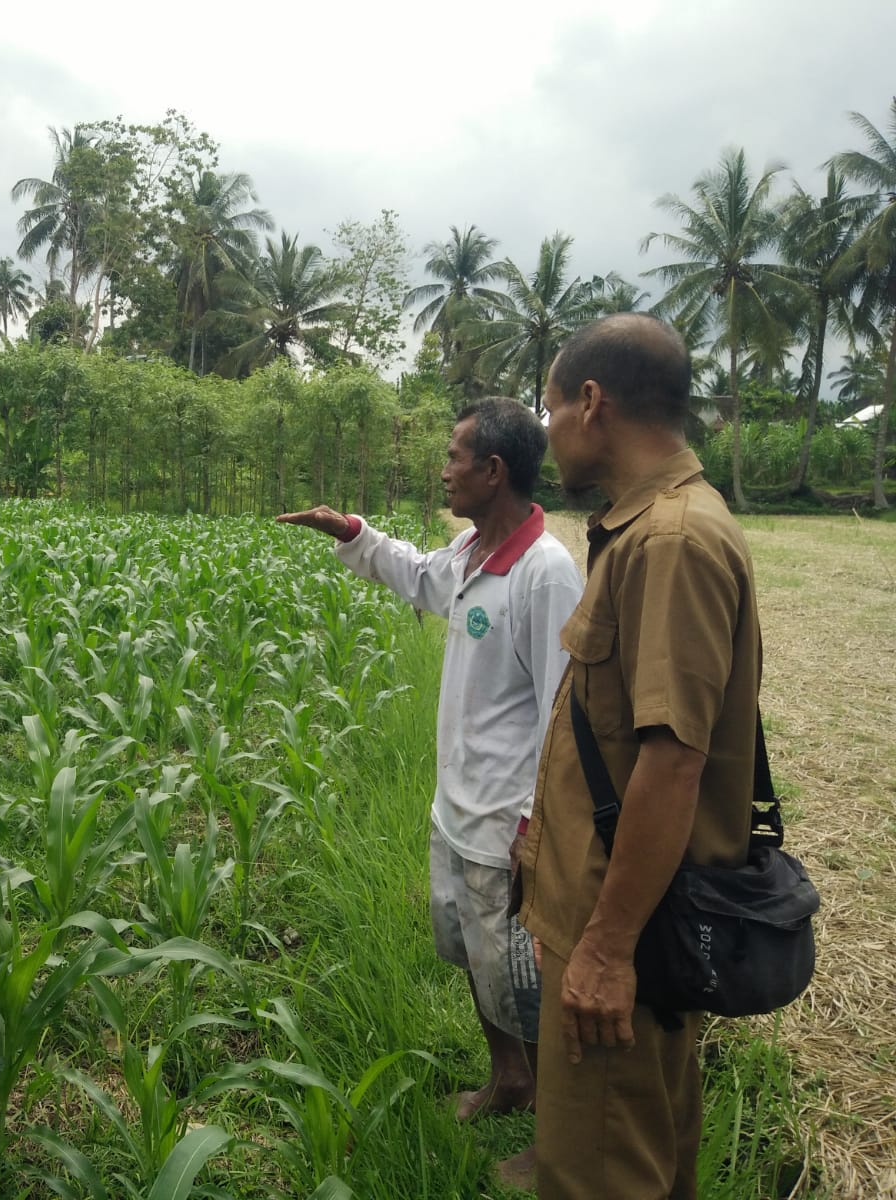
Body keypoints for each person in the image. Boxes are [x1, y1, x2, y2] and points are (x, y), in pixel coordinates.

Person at [279, 396, 582, 1184]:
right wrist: (351, 532)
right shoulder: (476, 552)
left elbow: (563, 713)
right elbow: (420, 576)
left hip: (506, 825)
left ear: (494, 470)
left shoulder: (545, 572)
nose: (443, 469)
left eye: (454, 455)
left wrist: (536, 829)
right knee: (474, 958)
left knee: (524, 984)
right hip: (456, 813)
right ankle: (509, 1079)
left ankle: (560, 1142)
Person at [518, 314, 763, 1198]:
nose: (548, 429)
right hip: (618, 911)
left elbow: (672, 763)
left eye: (550, 406)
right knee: (640, 1152)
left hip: (624, 925)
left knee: (601, 1171)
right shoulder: (650, 529)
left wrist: (605, 949)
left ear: (592, 403)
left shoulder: (669, 541)